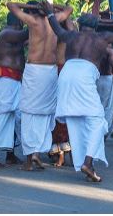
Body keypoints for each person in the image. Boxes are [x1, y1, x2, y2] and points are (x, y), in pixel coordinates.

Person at [43, 1, 113, 182]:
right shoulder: (102, 38)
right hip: (83, 75)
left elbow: (56, 29)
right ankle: (87, 161)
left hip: (66, 74)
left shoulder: (71, 36)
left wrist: (50, 14)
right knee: (98, 122)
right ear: (95, 26)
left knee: (77, 120)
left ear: (81, 25)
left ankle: (88, 164)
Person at [7, 1, 73, 171]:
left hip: (35, 70)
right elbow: (69, 9)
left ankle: (31, 157)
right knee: (42, 113)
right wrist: (50, 7)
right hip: (49, 71)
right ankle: (35, 153)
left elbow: (11, 5)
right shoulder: (55, 19)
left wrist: (36, 8)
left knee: (30, 112)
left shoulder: (32, 21)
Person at [0, 12, 29, 169]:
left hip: (13, 80)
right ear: (18, 20)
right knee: (2, 115)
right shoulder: (8, 33)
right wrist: (35, 18)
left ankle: (10, 154)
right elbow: (28, 32)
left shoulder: (14, 36)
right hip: (5, 79)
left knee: (14, 117)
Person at [49, 18, 74, 168]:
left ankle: (62, 155)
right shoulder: (67, 34)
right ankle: (63, 154)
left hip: (62, 71)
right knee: (62, 115)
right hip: (61, 72)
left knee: (62, 115)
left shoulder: (66, 34)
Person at [97, 44, 113, 137]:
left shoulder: (96, 48)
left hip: (97, 78)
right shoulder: (109, 51)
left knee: (98, 104)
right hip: (107, 79)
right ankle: (104, 131)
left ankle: (98, 128)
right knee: (108, 106)